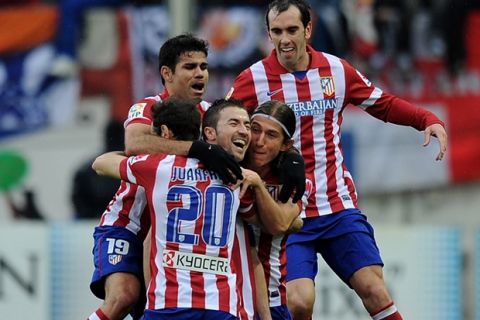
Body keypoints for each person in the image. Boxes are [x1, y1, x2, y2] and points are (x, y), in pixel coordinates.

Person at [228, 1, 448, 319]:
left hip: (337, 206)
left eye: (292, 30)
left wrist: (425, 118)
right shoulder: (254, 79)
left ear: (308, 29)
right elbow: (223, 122)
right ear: (268, 34)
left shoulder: (336, 70)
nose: (284, 39)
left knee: (375, 290)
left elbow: (381, 103)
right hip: (288, 214)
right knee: (299, 302)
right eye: (276, 32)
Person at [87, 34, 243, 320]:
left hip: (178, 237)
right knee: (124, 297)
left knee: (158, 309)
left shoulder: (212, 115)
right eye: (190, 67)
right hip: (131, 223)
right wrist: (196, 148)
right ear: (167, 73)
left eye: (204, 67)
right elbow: (134, 143)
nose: (200, 73)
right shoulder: (148, 107)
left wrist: (290, 160)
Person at [241, 100, 312, 320]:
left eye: (271, 135)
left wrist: (258, 185)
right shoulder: (227, 166)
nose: (259, 142)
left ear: (285, 145)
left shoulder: (296, 182)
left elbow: (279, 224)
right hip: (226, 291)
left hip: (272, 295)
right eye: (255, 130)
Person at [71, 119, 124, 219]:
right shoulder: (135, 167)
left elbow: (77, 199)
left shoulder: (88, 168)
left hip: (93, 222)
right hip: (125, 222)